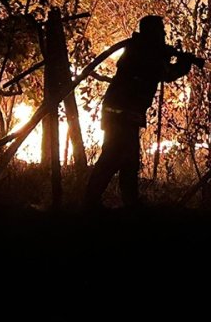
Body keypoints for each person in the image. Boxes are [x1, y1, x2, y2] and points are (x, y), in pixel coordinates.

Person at [84, 15, 202, 208]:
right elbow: (165, 74)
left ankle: (130, 203)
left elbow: (159, 68)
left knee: (128, 161)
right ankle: (92, 203)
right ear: (152, 33)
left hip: (124, 113)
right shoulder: (142, 53)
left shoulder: (144, 50)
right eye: (161, 31)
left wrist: (174, 58)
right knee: (112, 158)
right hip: (120, 113)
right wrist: (184, 64)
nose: (164, 34)